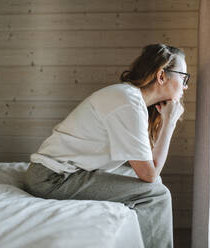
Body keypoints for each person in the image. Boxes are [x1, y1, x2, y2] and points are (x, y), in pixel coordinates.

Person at [24, 44, 190, 248]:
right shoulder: (127, 102)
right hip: (52, 179)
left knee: (153, 186)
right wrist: (169, 123)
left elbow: (149, 169)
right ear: (161, 76)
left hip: (60, 174)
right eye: (184, 77)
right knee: (158, 195)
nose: (185, 86)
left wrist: (165, 120)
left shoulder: (131, 100)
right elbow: (150, 173)